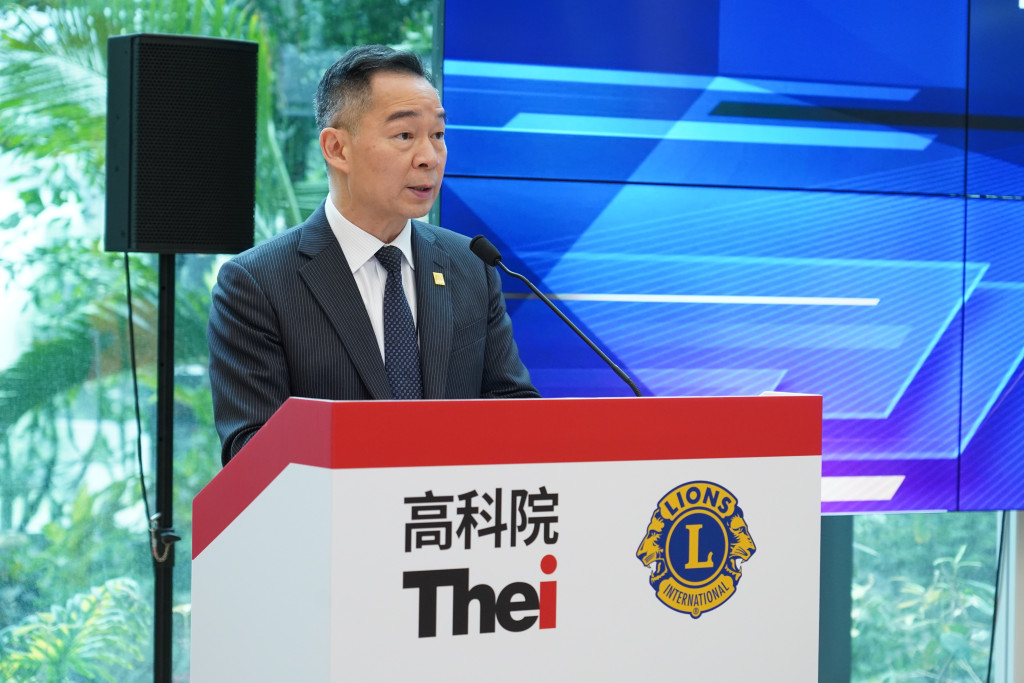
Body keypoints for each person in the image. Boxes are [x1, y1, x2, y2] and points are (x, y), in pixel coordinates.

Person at [207, 45, 539, 465]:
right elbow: (251, 450)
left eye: (438, 135)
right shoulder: (256, 283)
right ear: (337, 149)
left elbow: (513, 408)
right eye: (404, 136)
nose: (429, 157)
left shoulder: (471, 265)